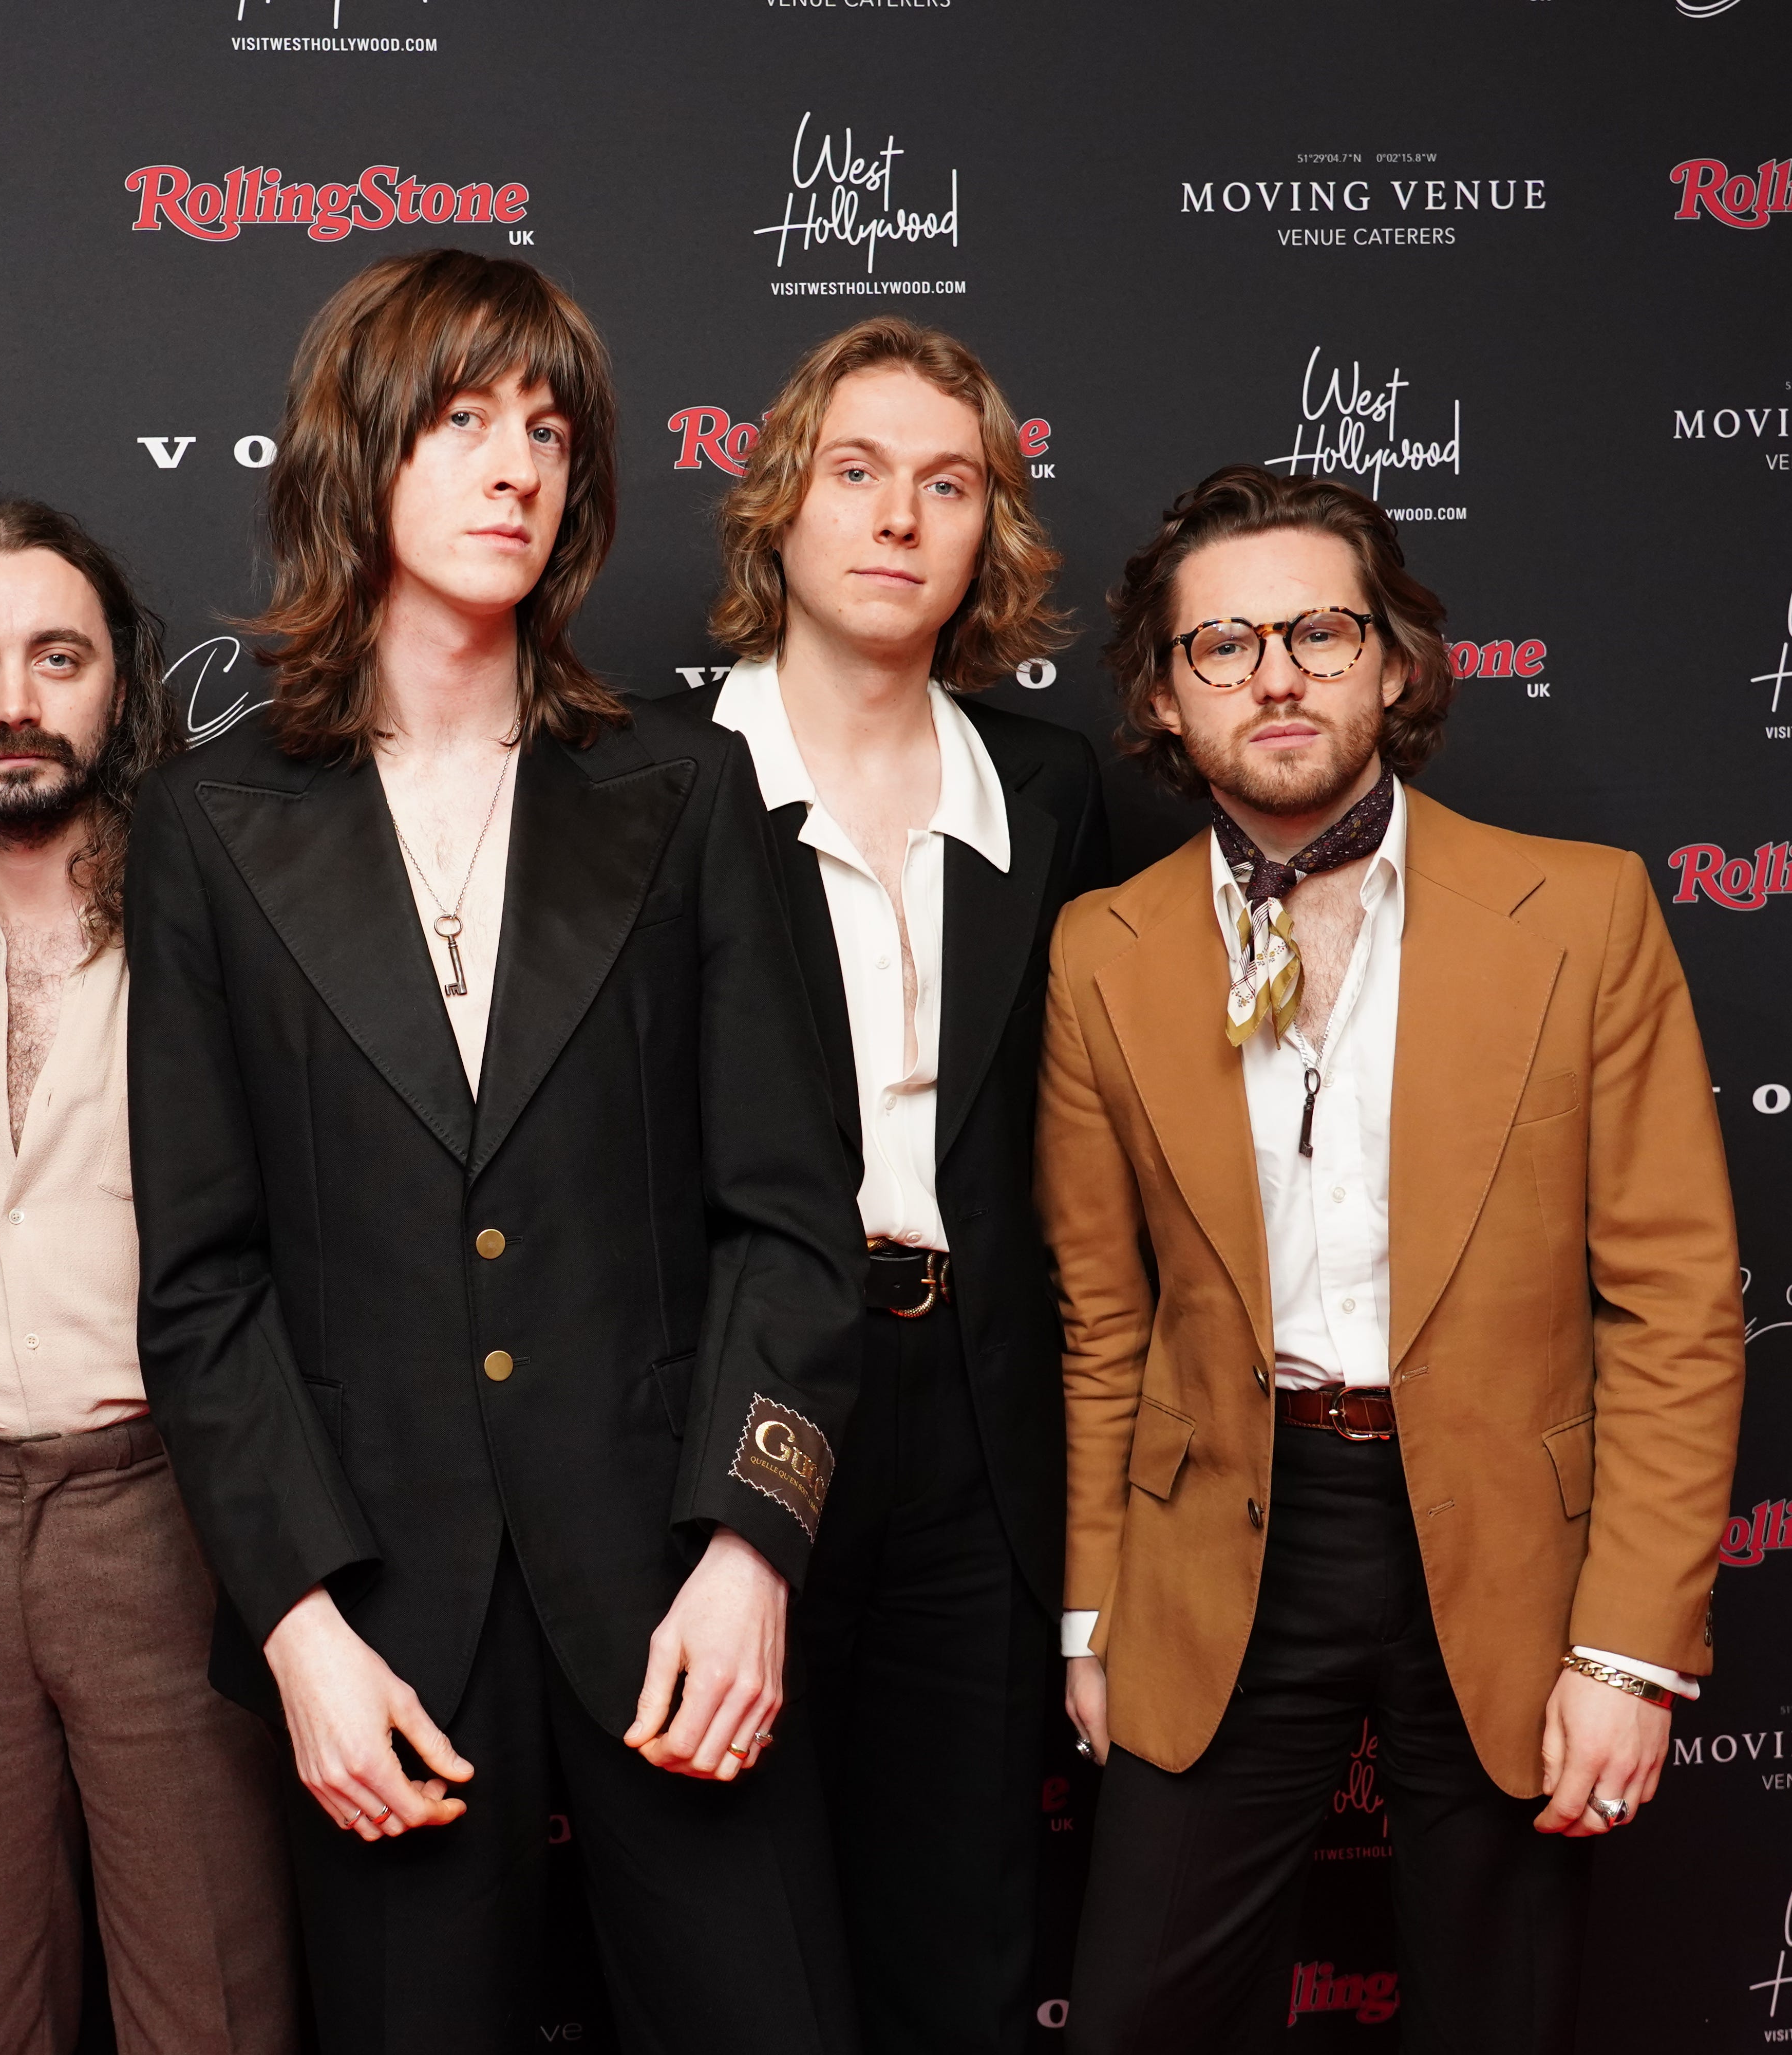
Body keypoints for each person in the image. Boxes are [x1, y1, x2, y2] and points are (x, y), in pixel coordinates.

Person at [126, 249, 867, 2054]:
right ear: (358, 461)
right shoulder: (214, 830)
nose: (515, 466)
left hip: (675, 1597)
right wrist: (296, 1626)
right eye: (463, 421)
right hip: (383, 1620)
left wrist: (754, 1551)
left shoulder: (686, 793)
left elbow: (788, 1217)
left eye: (547, 429)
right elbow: (203, 1284)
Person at [1040, 465, 1745, 2052]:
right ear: (1164, 692)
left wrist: (1630, 1652)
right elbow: (1103, 1322)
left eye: (1319, 632)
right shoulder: (1103, 952)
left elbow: (1678, 1305)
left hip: (1509, 1551)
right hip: (1220, 1541)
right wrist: (1092, 1619)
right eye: (1222, 645)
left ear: (1402, 662)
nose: (1275, 674)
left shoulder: (1587, 912)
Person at [686, 317, 1109, 2055]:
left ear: (989, 534)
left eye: (948, 485)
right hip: (727, 1395)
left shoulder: (1060, 792)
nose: (897, 518)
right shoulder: (647, 783)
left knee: (961, 1944)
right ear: (782, 504)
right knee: (732, 1937)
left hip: (973, 1423)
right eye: (855, 473)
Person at [0, 500, 298, 2053]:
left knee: (205, 1999)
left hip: (164, 1511)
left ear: (123, 685)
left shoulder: (222, 915)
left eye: (57, 656)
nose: (15, 699)